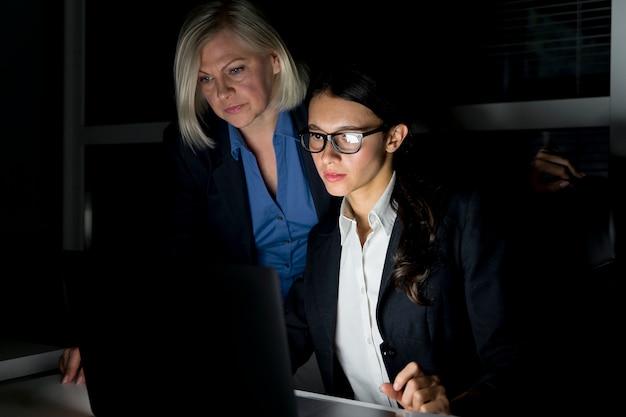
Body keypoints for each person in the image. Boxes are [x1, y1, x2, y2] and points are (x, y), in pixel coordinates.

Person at [59, 0, 338, 384]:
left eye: (235, 70)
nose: (222, 92)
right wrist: (116, 335)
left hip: (340, 329)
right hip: (240, 335)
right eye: (205, 78)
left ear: (274, 59)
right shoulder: (194, 147)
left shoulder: (330, 119)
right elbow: (177, 257)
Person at [284, 64, 525, 416]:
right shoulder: (323, 241)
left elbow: (513, 362)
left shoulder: (460, 219)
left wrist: (454, 406)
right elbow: (280, 339)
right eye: (317, 136)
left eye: (347, 138)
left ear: (393, 137)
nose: (326, 156)